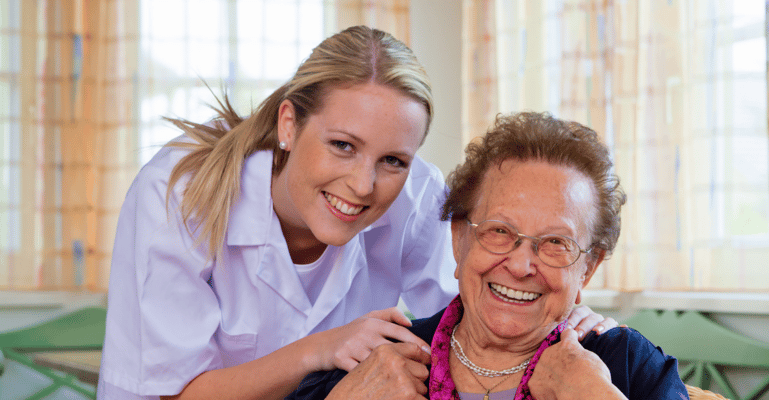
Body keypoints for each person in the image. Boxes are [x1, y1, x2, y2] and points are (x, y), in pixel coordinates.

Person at [97, 27, 617, 400]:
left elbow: (476, 311)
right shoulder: (178, 193)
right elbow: (176, 394)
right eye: (343, 145)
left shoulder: (416, 199)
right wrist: (320, 350)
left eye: (393, 160)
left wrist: (561, 314)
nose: (364, 185)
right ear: (288, 124)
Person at [288, 111, 689, 400]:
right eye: (500, 232)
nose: (520, 265)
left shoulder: (627, 366)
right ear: (459, 239)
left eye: (555, 243)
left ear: (588, 268)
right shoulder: (376, 359)